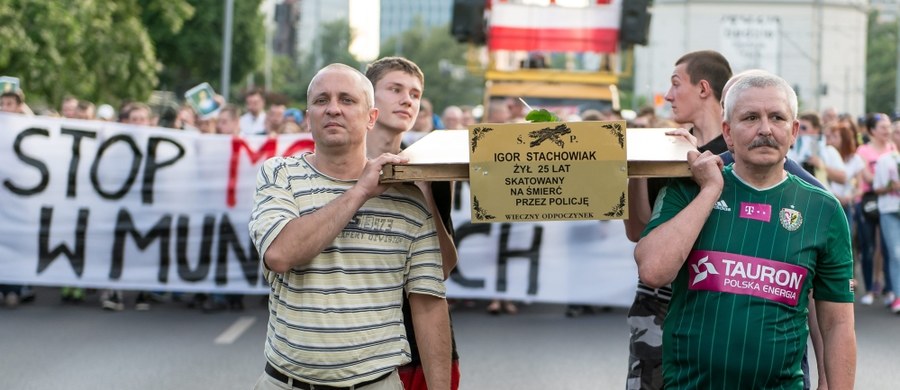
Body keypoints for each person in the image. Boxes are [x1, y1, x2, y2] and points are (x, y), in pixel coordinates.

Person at [635, 70, 856, 389]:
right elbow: (654, 270)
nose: (765, 129)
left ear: (793, 131)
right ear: (727, 131)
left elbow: (837, 323)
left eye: (777, 118)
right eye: (750, 117)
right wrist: (710, 191)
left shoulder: (824, 209)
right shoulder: (689, 188)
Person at [249, 63, 451, 390]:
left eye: (346, 100)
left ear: (370, 117)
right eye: (321, 100)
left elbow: (428, 304)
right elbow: (281, 254)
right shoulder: (278, 174)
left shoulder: (408, 197)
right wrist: (360, 191)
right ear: (308, 115)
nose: (333, 109)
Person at [623, 50, 732, 390]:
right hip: (661, 302)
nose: (668, 96)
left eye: (675, 85)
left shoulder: (741, 153)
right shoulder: (666, 149)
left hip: (718, 298)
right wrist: (637, 169)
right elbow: (639, 230)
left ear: (703, 88)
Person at [365, 56, 461, 390]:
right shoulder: (336, 167)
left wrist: (426, 196)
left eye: (415, 93)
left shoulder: (432, 171)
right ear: (367, 98)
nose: (408, 100)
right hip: (353, 348)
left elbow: (445, 267)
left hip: (419, 346)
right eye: (395, 89)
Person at [855, 113, 896, 306]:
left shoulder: (892, 148)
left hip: (889, 202)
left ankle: (889, 288)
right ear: (872, 130)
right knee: (869, 246)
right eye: (883, 127)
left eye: (889, 127)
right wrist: (887, 181)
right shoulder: (863, 150)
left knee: (888, 247)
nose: (887, 131)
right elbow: (868, 179)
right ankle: (871, 287)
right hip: (868, 202)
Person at [873, 122, 900, 313]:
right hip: (890, 210)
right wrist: (892, 186)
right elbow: (877, 188)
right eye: (897, 132)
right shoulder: (885, 160)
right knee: (896, 254)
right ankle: (897, 295)